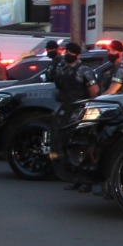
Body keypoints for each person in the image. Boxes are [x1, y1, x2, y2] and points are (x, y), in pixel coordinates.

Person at [50, 42, 100, 191]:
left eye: (70, 52)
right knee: (66, 144)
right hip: (66, 109)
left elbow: (94, 91)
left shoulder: (84, 70)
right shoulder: (62, 68)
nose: (67, 54)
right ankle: (75, 177)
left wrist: (87, 110)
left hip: (80, 110)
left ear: (77, 55)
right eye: (66, 51)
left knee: (82, 145)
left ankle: (87, 180)